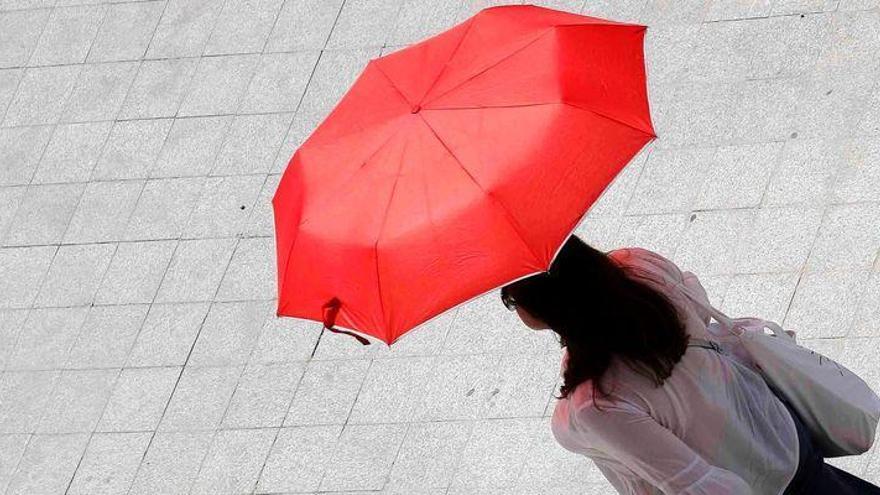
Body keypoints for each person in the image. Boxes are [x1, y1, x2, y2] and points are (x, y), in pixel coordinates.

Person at [499, 235, 880, 494]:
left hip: (755, 478)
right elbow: (695, 299)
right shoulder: (639, 267)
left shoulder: (595, 403)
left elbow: (694, 483)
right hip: (774, 426)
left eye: (512, 301)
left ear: (545, 307)